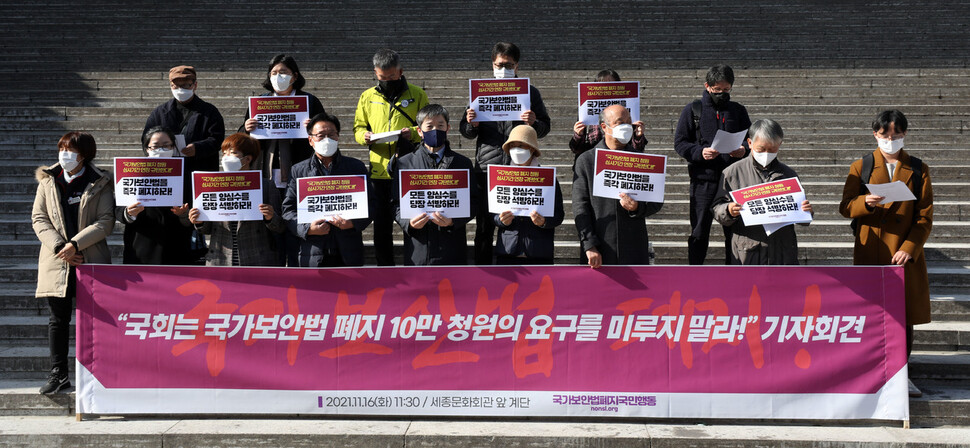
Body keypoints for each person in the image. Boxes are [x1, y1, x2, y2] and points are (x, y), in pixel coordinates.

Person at [839, 110, 932, 396]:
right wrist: (865, 202)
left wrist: (909, 248)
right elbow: (845, 206)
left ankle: (902, 373)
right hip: (872, 250)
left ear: (905, 135)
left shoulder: (918, 168)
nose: (890, 140)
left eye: (896, 136)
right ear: (875, 135)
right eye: (884, 136)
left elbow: (924, 217)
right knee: (872, 314)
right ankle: (872, 371)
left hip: (902, 254)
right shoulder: (862, 165)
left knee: (902, 316)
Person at [31, 132, 114, 394]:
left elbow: (105, 220)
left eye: (70, 150)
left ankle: (97, 373)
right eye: (62, 148)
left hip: (89, 258)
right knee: (58, 319)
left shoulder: (100, 181)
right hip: (56, 260)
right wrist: (60, 247)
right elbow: (39, 218)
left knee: (95, 319)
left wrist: (75, 245)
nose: (64, 154)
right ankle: (58, 373)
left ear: (84, 154)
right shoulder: (47, 180)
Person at [460, 42, 551, 265]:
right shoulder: (480, 91)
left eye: (508, 65)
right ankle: (483, 270)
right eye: (500, 64)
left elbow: (545, 127)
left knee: (516, 221)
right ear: (493, 65)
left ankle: (512, 267)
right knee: (484, 226)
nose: (504, 69)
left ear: (517, 66)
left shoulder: (530, 92)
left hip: (518, 165)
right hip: (487, 167)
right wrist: (473, 124)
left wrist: (534, 122)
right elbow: (466, 131)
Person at [241, 54, 327, 266]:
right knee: (273, 224)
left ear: (295, 76)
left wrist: (313, 127)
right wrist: (246, 129)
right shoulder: (259, 102)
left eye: (283, 73)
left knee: (296, 221)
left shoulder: (309, 102)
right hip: (267, 172)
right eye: (274, 73)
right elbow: (241, 141)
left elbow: (325, 133)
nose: (278, 77)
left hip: (300, 172)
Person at [353, 49, 429, 266]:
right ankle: (384, 268)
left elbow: (428, 124)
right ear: (376, 74)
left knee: (413, 222)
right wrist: (364, 136)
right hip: (379, 170)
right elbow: (358, 128)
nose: (387, 81)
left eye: (392, 77)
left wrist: (412, 133)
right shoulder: (367, 96)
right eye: (382, 78)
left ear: (401, 72)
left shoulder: (417, 94)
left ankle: (412, 266)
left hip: (408, 169)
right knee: (382, 226)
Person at [674, 64, 751, 265]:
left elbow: (752, 140)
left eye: (727, 90)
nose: (722, 94)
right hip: (703, 180)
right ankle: (695, 272)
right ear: (707, 86)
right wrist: (700, 152)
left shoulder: (738, 111)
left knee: (734, 231)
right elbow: (680, 143)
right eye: (718, 90)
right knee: (699, 231)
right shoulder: (693, 110)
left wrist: (743, 149)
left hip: (733, 181)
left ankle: (733, 272)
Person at [712, 119, 813, 265]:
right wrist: (728, 210)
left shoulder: (788, 174)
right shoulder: (732, 172)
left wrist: (806, 211)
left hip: (782, 252)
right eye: (761, 149)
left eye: (772, 150)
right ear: (750, 143)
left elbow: (801, 212)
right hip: (747, 251)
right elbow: (716, 207)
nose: (766, 154)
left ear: (780, 145)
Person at [573, 105, 662, 268]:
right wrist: (589, 245)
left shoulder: (642, 160)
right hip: (600, 247)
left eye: (629, 122)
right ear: (604, 127)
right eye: (620, 122)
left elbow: (656, 203)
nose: (626, 127)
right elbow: (580, 207)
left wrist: (637, 207)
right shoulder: (586, 161)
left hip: (634, 247)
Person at [284, 113, 373, 267]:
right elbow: (288, 210)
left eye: (331, 134)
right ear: (310, 140)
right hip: (313, 251)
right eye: (320, 135)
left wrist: (352, 223)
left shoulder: (355, 167)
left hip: (348, 250)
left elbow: (372, 204)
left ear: (338, 137)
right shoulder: (298, 170)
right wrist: (307, 229)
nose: (327, 139)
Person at [395, 104, 477, 266]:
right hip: (418, 247)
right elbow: (394, 203)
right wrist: (408, 224)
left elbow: (474, 201)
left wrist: (453, 221)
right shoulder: (405, 163)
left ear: (448, 128)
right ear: (419, 131)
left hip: (451, 246)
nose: (435, 130)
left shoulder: (462, 163)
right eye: (429, 126)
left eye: (440, 126)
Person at [188, 133, 286, 266]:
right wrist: (199, 222)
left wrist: (270, 217)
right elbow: (207, 229)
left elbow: (280, 226)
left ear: (247, 159)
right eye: (224, 153)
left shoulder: (266, 186)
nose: (226, 158)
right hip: (220, 259)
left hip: (257, 258)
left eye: (232, 153)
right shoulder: (211, 185)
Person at [116, 126, 193, 264]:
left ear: (173, 147)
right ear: (147, 149)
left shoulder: (185, 175)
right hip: (141, 247)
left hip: (176, 248)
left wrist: (183, 215)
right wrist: (129, 213)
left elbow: (194, 214)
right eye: (156, 146)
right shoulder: (132, 172)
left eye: (166, 145)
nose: (161, 150)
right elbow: (118, 209)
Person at [492, 125, 564, 265]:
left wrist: (544, 222)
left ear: (531, 148)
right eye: (512, 146)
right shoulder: (500, 177)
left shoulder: (548, 178)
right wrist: (500, 220)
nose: (516, 149)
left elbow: (558, 215)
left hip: (539, 252)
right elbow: (491, 214)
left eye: (521, 145)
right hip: (508, 250)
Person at [144, 65, 226, 174]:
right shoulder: (159, 113)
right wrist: (157, 150)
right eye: (176, 86)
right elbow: (146, 139)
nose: (180, 90)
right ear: (171, 86)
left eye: (186, 85)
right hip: (168, 172)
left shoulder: (209, 112)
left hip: (199, 171)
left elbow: (217, 139)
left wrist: (198, 148)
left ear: (195, 85)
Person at [570, 69, 647, 162]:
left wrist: (638, 136)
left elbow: (637, 150)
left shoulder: (625, 112)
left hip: (621, 161)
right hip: (593, 162)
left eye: (612, 85)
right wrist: (578, 135)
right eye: (603, 85)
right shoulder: (586, 112)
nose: (608, 90)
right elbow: (576, 149)